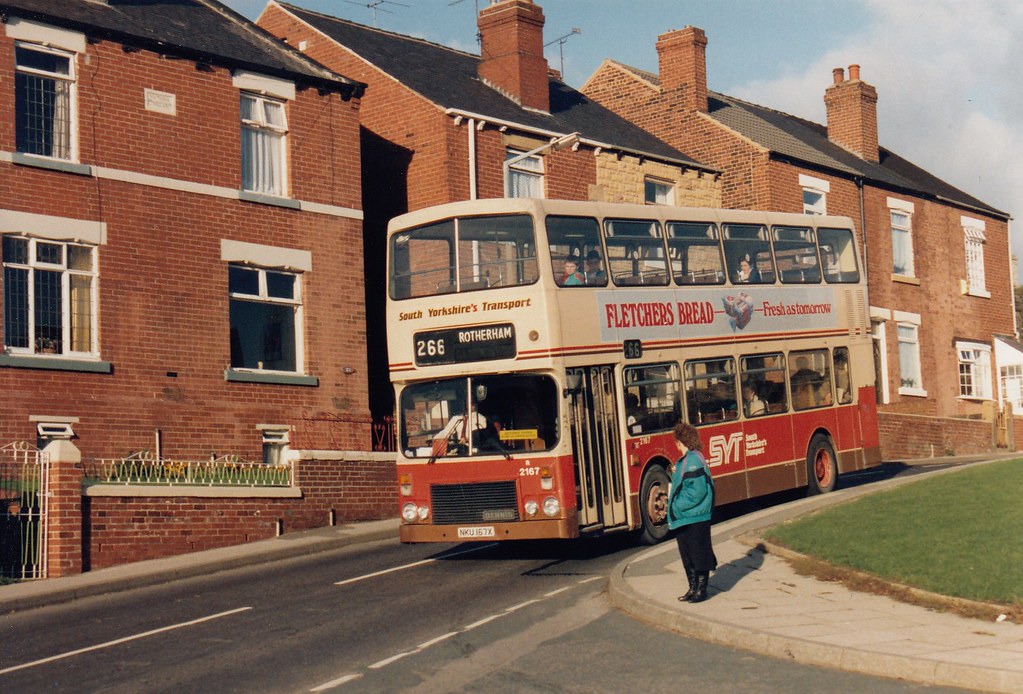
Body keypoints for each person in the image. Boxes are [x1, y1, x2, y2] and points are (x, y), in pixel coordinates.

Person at [668, 421, 716, 603]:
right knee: (688, 553)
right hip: (689, 517)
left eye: (677, 442)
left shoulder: (693, 460)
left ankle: (701, 590)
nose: (676, 446)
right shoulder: (689, 459)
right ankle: (693, 587)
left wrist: (676, 506)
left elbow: (697, 491)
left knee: (697, 553)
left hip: (694, 516)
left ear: (681, 441)